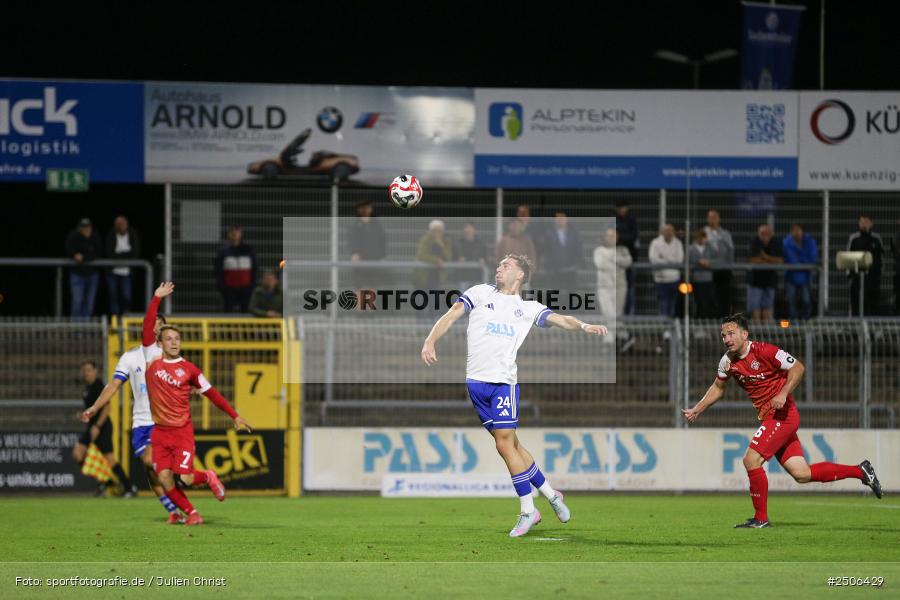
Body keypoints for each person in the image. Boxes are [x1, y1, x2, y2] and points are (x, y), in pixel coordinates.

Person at [420, 255, 608, 537]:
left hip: (503, 384)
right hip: (476, 384)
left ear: (520, 275)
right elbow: (452, 314)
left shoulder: (528, 308)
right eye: (499, 265)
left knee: (504, 445)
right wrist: (430, 338)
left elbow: (561, 319)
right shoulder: (480, 293)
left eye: (506, 265)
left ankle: (528, 511)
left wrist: (583, 326)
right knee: (514, 446)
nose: (499, 268)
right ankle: (551, 494)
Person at [682, 314, 882, 528]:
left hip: (783, 415)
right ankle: (861, 471)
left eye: (731, 333)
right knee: (802, 474)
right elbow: (718, 388)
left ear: (744, 334)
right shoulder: (727, 362)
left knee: (751, 460)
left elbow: (798, 367)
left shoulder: (765, 351)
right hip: (771, 418)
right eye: (723, 335)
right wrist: (697, 409)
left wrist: (783, 392)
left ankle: (761, 519)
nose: (727, 339)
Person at [141, 282, 252, 525]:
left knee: (187, 478)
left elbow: (212, 393)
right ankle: (192, 514)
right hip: (160, 432)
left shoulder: (190, 369)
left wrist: (234, 415)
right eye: (168, 338)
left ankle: (209, 476)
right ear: (159, 343)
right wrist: (156, 299)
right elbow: (147, 328)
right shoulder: (152, 358)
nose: (173, 342)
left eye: (177, 338)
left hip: (181, 431)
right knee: (164, 478)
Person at [82, 313, 182, 522]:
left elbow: (185, 376)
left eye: (160, 326)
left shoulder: (168, 356)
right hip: (140, 423)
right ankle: (173, 510)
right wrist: (95, 406)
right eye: (152, 324)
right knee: (150, 468)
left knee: (151, 460)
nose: (155, 329)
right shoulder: (130, 357)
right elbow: (113, 386)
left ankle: (181, 502)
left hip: (163, 421)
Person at [73, 361, 137, 498]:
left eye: (89, 370)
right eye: (84, 370)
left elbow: (107, 408)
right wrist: (83, 414)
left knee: (109, 459)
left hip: (102, 427)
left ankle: (129, 487)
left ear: (95, 371)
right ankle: (107, 482)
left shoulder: (98, 386)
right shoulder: (88, 388)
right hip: (92, 426)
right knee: (78, 453)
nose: (86, 373)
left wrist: (97, 426)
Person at [65, 217, 103, 319]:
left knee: (89, 304)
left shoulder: (95, 236)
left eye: (88, 227)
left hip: (92, 274)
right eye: (84, 227)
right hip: (77, 274)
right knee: (77, 301)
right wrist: (74, 254)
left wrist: (84, 256)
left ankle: (85, 329)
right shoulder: (73, 236)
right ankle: (76, 329)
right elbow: (69, 250)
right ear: (79, 228)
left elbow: (98, 252)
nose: (86, 229)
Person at [541, 211, 583, 300]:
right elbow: (546, 251)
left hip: (571, 268)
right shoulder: (549, 233)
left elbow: (578, 248)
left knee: (572, 292)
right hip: (555, 269)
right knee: (555, 292)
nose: (560, 220)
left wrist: (580, 262)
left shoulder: (573, 232)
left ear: (566, 219)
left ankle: (571, 310)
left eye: (562, 218)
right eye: (558, 218)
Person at [847, 215, 884, 317]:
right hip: (857, 279)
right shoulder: (854, 238)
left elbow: (880, 259)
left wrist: (878, 275)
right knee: (856, 303)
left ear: (871, 224)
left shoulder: (876, 239)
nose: (863, 224)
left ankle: (873, 330)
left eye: (866, 222)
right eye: (861, 222)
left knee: (873, 304)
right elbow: (848, 257)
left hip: (873, 279)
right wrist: (851, 275)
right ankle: (855, 330)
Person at [105, 215, 141, 317]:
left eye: (122, 224)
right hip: (113, 272)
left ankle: (125, 318)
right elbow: (110, 253)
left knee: (126, 297)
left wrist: (119, 255)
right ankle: (115, 320)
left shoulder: (132, 234)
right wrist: (125, 255)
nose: (119, 226)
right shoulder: (111, 235)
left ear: (126, 225)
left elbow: (135, 254)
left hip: (127, 272)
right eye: (117, 224)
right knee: (113, 297)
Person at [348, 199, 387, 293]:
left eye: (368, 208)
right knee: (359, 285)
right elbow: (352, 240)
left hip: (374, 259)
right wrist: (354, 253)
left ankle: (370, 306)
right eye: (363, 208)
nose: (365, 210)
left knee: (372, 285)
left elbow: (382, 240)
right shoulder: (355, 225)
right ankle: (361, 307)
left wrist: (382, 256)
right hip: (360, 260)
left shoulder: (377, 224)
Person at [215, 225, 257, 313]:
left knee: (246, 311)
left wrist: (252, 286)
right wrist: (222, 287)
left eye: (237, 232)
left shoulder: (249, 250)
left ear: (241, 234)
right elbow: (218, 271)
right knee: (228, 312)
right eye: (232, 232)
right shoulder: (223, 251)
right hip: (229, 289)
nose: (234, 234)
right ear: (228, 234)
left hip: (246, 288)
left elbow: (254, 269)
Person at [782, 224, 818, 321]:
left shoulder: (810, 242)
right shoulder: (786, 243)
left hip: (805, 277)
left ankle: (805, 322)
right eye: (794, 230)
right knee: (791, 301)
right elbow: (788, 259)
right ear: (791, 232)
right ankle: (794, 325)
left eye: (798, 230)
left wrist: (798, 261)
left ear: (802, 231)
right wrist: (802, 261)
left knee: (806, 301)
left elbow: (812, 259)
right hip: (791, 277)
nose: (796, 233)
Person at [747, 224, 783, 322]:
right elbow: (753, 259)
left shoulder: (776, 242)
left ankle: (767, 333)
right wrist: (771, 261)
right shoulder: (754, 241)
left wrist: (765, 257)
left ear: (771, 234)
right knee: (756, 309)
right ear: (759, 234)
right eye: (762, 233)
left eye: (767, 233)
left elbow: (780, 260)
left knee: (768, 308)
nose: (765, 236)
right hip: (755, 281)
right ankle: (756, 332)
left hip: (770, 280)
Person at [648, 224, 683, 319]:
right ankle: (664, 328)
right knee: (662, 304)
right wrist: (670, 261)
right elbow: (653, 259)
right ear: (662, 232)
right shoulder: (655, 243)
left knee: (673, 304)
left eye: (671, 230)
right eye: (666, 230)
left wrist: (663, 258)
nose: (668, 232)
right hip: (660, 279)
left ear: (674, 232)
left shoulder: (678, 243)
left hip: (674, 279)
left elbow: (679, 260)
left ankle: (671, 327)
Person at [704, 210, 735, 316]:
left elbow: (730, 252)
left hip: (723, 271)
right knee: (708, 299)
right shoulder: (703, 233)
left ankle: (724, 325)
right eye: (710, 217)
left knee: (724, 300)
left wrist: (728, 265)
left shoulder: (725, 234)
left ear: (718, 219)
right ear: (707, 219)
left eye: (715, 217)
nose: (712, 220)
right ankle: (710, 324)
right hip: (708, 271)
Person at [414, 220, 454, 291]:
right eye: (434, 231)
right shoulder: (425, 239)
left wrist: (441, 245)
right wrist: (436, 260)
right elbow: (421, 255)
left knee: (435, 299)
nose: (437, 233)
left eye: (439, 231)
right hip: (424, 275)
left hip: (437, 276)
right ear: (430, 231)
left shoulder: (446, 241)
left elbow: (449, 257)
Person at [615, 200, 639, 315]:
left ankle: (629, 315)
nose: (621, 210)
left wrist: (621, 238)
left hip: (629, 260)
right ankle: (617, 317)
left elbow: (633, 237)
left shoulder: (632, 220)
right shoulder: (615, 220)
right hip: (617, 264)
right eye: (619, 207)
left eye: (623, 207)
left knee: (630, 289)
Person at [688, 229, 718, 318]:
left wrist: (709, 262)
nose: (701, 239)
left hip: (708, 279)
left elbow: (717, 258)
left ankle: (704, 323)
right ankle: (698, 322)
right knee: (698, 301)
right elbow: (688, 261)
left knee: (707, 301)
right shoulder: (691, 248)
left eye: (703, 237)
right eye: (700, 237)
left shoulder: (709, 248)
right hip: (696, 279)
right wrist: (698, 262)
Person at [453, 221, 490, 291]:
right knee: (463, 299)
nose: (468, 230)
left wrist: (482, 260)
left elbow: (485, 257)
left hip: (476, 276)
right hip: (462, 277)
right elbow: (453, 257)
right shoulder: (458, 243)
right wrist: (458, 259)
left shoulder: (481, 243)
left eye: (470, 228)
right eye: (467, 228)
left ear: (474, 230)